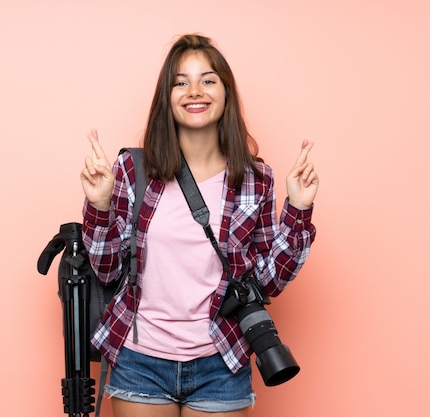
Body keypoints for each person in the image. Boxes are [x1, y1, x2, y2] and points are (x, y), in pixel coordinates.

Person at [79, 34, 318, 417]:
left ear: (225, 93)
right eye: (180, 81)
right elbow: (106, 271)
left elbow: (268, 281)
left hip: (220, 360)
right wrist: (99, 205)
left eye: (207, 80)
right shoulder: (132, 170)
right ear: (167, 97)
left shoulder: (256, 178)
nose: (195, 91)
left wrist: (299, 210)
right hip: (140, 360)